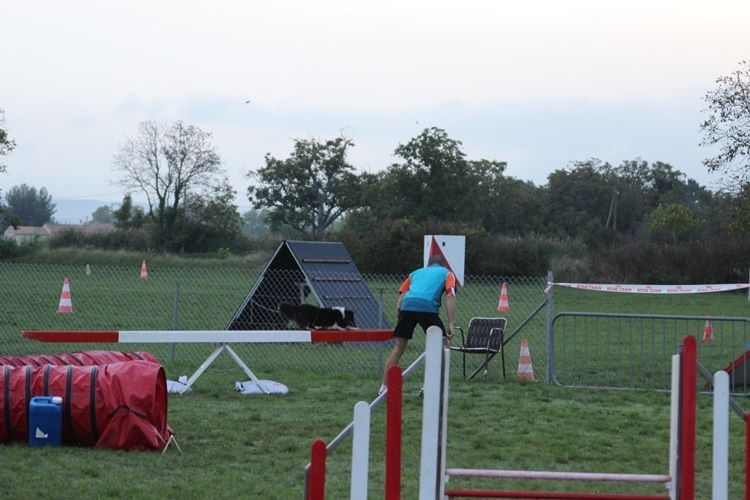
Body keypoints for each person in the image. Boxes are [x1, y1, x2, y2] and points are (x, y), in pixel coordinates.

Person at [378, 254, 457, 395]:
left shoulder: (415, 273)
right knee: (442, 347)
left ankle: (384, 388)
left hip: (406, 306)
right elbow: (450, 295)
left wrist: (401, 317)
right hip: (427, 308)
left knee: (398, 347)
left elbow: (401, 297)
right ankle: (428, 388)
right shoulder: (448, 274)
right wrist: (450, 323)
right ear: (443, 265)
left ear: (428, 264)